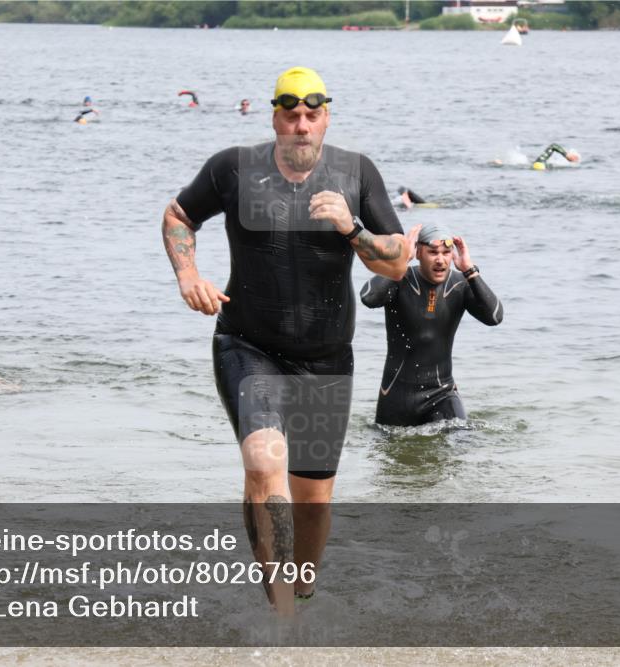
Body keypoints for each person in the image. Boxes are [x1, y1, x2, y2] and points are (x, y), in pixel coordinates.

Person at [161, 66, 408, 614]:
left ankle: (301, 586)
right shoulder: (233, 168)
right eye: (290, 114)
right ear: (275, 115)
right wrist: (187, 275)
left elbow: (395, 263)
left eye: (311, 115)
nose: (300, 125)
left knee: (313, 500)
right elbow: (180, 215)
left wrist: (352, 227)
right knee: (262, 460)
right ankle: (282, 615)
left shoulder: (356, 173)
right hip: (247, 344)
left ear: (325, 119)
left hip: (325, 357)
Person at [361, 222, 503, 426]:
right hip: (397, 395)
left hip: (442, 393)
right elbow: (369, 298)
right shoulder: (400, 279)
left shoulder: (460, 284)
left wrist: (470, 271)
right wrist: (400, 261)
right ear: (418, 252)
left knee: (459, 439)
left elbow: (495, 317)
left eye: (446, 253)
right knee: (394, 454)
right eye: (433, 252)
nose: (440, 259)